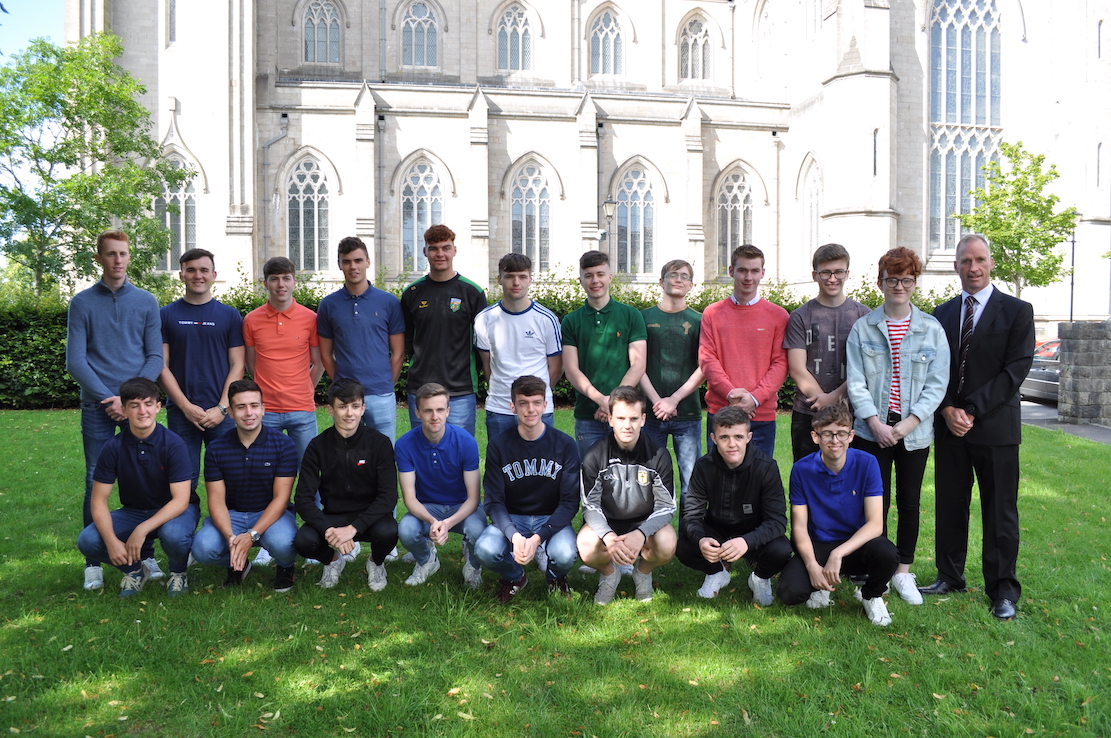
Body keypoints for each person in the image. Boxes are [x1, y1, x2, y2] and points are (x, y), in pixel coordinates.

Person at [919, 234, 1035, 622]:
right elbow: (935, 368)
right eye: (966, 261)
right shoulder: (942, 312)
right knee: (951, 505)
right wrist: (949, 408)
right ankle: (949, 576)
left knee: (999, 511)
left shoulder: (1017, 311)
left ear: (990, 264)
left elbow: (1015, 370)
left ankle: (1003, 590)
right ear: (956, 266)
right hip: (951, 427)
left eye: (980, 260)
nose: (973, 268)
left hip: (996, 429)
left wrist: (970, 409)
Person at [846, 247, 949, 606]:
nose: (899, 286)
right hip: (870, 431)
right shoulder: (864, 327)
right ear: (881, 282)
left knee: (908, 502)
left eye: (907, 280)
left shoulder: (931, 329)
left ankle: (903, 571)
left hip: (913, 432)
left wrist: (908, 424)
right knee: (875, 503)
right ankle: (879, 571)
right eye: (893, 279)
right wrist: (873, 421)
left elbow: (937, 382)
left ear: (915, 283)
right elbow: (856, 379)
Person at [67, 229, 164, 591]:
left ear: (129, 257)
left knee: (148, 478)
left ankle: (147, 553)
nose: (117, 261)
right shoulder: (82, 303)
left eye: (123, 254)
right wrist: (110, 399)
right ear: (99, 259)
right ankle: (93, 561)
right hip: (98, 406)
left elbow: (155, 355)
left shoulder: (146, 301)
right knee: (96, 479)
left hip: (138, 408)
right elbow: (75, 360)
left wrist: (133, 402)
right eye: (110, 254)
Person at [777, 404, 899, 627]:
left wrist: (838, 554)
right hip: (820, 543)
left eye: (842, 433)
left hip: (855, 544)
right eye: (827, 434)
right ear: (816, 437)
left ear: (851, 435)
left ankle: (870, 595)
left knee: (888, 554)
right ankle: (821, 584)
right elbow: (799, 527)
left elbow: (875, 524)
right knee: (790, 593)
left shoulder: (867, 462)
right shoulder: (802, 469)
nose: (835, 440)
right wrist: (813, 565)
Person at [76, 378, 198, 598]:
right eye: (134, 405)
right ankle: (135, 570)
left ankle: (178, 573)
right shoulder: (113, 447)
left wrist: (142, 530)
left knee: (174, 535)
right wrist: (112, 542)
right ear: (123, 409)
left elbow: (181, 500)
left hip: (174, 510)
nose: (143, 411)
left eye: (148, 404)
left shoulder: (174, 444)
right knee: (89, 540)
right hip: (134, 511)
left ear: (158, 407)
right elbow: (98, 501)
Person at [474, 375, 581, 603]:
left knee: (565, 554)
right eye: (523, 403)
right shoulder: (499, 445)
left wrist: (537, 539)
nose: (530, 409)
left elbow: (570, 502)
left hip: (550, 517)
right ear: (513, 407)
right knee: (484, 549)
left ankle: (555, 577)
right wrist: (513, 535)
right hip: (513, 516)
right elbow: (493, 501)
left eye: (536, 403)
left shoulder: (565, 445)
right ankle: (515, 577)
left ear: (545, 405)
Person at [189, 380, 300, 592]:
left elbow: (281, 499)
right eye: (241, 407)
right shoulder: (216, 448)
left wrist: (252, 536)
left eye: (254, 405)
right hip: (232, 514)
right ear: (230, 412)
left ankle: (285, 567)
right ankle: (238, 563)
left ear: (263, 409)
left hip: (271, 513)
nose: (249, 413)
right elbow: (216, 500)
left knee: (284, 544)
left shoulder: (283, 444)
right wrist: (232, 538)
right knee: (203, 549)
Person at [676, 406, 792, 603]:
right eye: (724, 437)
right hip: (717, 531)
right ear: (713, 438)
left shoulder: (766, 467)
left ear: (749, 437)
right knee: (684, 547)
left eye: (738, 437)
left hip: (753, 532)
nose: (732, 444)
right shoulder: (704, 466)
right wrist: (702, 540)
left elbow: (778, 520)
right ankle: (716, 572)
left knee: (781, 550)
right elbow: (691, 516)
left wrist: (747, 541)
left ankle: (760, 578)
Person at [293, 379, 399, 590]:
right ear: (331, 410)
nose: (349, 413)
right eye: (342, 406)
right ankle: (333, 561)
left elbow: (388, 497)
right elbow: (303, 499)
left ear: (363, 409)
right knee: (303, 541)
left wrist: (353, 529)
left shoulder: (379, 443)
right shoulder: (317, 446)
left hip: (370, 517)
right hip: (333, 515)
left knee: (390, 532)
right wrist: (329, 530)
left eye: (355, 406)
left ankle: (376, 563)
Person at [578, 385, 677, 605]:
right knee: (585, 544)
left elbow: (666, 507)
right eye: (621, 418)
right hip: (608, 522)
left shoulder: (659, 454)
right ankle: (609, 574)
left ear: (643, 419)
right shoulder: (594, 455)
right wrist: (608, 536)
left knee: (668, 542)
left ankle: (642, 573)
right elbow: (590, 505)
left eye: (633, 418)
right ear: (610, 418)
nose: (627, 425)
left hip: (644, 523)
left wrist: (641, 533)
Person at [159, 248, 245, 492]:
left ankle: (230, 529)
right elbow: (161, 366)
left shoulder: (229, 316)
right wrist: (186, 407)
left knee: (229, 477)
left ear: (214, 275)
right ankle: (181, 529)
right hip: (181, 412)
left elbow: (238, 363)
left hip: (223, 413)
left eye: (204, 270)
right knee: (183, 479)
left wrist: (221, 407)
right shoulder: (165, 315)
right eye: (192, 270)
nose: (198, 275)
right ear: (181, 275)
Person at [699, 244, 789, 458]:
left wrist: (754, 399)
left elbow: (781, 363)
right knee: (718, 484)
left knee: (758, 484)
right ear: (731, 271)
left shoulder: (778, 316)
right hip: (721, 412)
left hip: (761, 415)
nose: (748, 277)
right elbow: (707, 358)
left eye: (754, 271)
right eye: (742, 270)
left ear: (762, 273)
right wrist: (731, 393)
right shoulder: (712, 313)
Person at [783, 243, 870, 462]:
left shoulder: (863, 316)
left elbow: (868, 368)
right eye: (826, 272)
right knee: (808, 480)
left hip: (853, 413)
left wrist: (833, 398)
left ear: (847, 273)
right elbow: (796, 368)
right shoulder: (801, 316)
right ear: (815, 275)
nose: (832, 278)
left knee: (851, 484)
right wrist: (823, 402)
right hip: (808, 413)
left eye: (838, 272)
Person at [395, 383, 485, 588]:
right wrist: (432, 520)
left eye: (440, 410)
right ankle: (427, 560)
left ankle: (473, 566)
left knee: (477, 529)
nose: (434, 416)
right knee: (406, 529)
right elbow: (409, 498)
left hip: (462, 506)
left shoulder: (466, 442)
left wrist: (447, 523)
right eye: (428, 410)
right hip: (428, 505)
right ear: (417, 412)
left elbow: (474, 498)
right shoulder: (404, 444)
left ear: (448, 411)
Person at [400, 224, 487, 436]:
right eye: (434, 248)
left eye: (445, 248)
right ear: (425, 252)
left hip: (460, 390)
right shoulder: (412, 293)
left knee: (460, 453)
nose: (440, 254)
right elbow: (408, 339)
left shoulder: (472, 292)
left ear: (454, 250)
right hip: (421, 388)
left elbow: (482, 343)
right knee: (423, 454)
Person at [317, 236, 405, 442]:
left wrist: (385, 384)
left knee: (384, 453)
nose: (353, 266)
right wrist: (341, 384)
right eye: (346, 261)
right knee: (348, 453)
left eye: (358, 260)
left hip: (381, 395)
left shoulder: (389, 302)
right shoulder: (328, 305)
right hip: (346, 397)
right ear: (339, 265)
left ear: (368, 262)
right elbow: (325, 354)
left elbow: (398, 352)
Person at [562, 251, 648, 459]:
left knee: (630, 477)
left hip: (625, 416)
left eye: (600, 274)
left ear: (610, 277)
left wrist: (612, 404)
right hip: (587, 415)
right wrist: (601, 399)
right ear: (580, 280)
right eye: (589, 275)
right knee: (591, 479)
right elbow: (571, 369)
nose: (595, 280)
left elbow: (638, 364)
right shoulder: (571, 321)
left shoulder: (631, 315)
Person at [243, 256, 323, 463]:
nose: (281, 285)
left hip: (301, 409)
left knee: (309, 471)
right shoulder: (251, 320)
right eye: (274, 279)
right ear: (265, 283)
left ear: (295, 282)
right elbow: (251, 364)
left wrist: (305, 386)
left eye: (286, 278)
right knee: (265, 472)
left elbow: (319, 362)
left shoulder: (310, 318)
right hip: (266, 410)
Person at [474, 252, 563, 439]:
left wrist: (538, 394)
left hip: (538, 410)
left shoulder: (546, 319)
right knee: (501, 467)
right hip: (500, 408)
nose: (516, 283)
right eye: (510, 277)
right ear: (499, 279)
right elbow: (487, 364)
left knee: (542, 466)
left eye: (522, 277)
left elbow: (556, 367)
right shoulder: (484, 319)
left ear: (530, 280)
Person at [640, 259, 704, 499]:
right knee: (648, 479)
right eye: (673, 274)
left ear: (691, 285)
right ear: (661, 281)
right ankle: (650, 534)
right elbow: (637, 364)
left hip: (687, 414)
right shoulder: (643, 318)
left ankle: (690, 535)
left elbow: (704, 366)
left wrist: (674, 400)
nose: (678, 279)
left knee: (692, 483)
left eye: (685, 276)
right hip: (650, 412)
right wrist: (658, 402)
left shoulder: (700, 320)